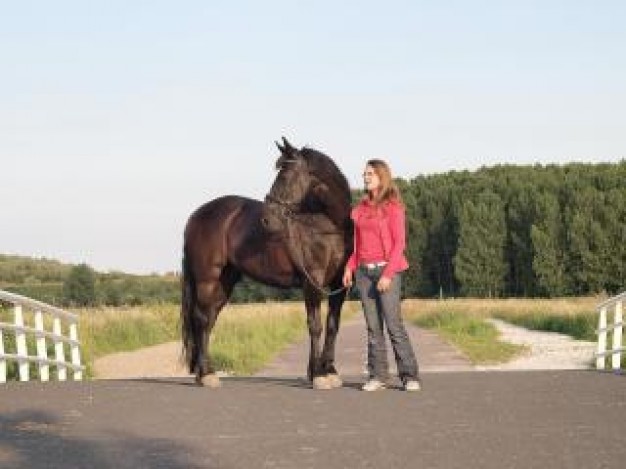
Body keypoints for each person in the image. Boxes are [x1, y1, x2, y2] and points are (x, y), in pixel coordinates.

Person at [342, 159, 421, 392]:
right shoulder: (359, 210)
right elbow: (357, 247)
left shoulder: (393, 207)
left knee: (394, 325)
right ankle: (378, 375)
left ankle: (409, 376)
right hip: (364, 273)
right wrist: (349, 267)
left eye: (370, 173)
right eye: (364, 173)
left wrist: (388, 274)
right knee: (372, 327)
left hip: (388, 270)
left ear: (381, 177)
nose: (365, 177)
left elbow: (399, 244)